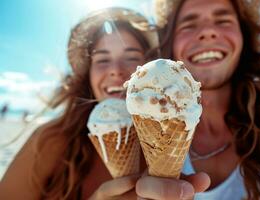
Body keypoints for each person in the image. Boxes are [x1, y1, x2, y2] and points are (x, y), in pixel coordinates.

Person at [135, 0, 260, 199]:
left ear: (243, 37)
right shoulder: (142, 135)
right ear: (171, 45)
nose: (207, 32)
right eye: (189, 24)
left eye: (223, 21)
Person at [0, 7, 159, 199]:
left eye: (131, 58)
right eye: (102, 60)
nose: (116, 70)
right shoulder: (51, 140)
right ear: (88, 76)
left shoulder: (171, 148)